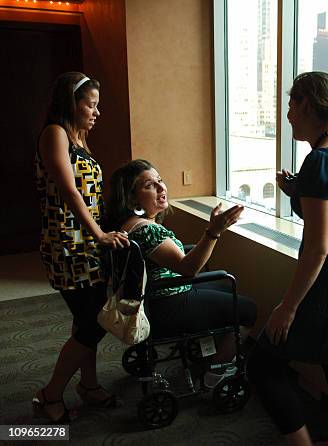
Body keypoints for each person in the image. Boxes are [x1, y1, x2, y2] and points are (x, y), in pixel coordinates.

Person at [247, 72, 328, 446]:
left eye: (291, 104)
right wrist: (295, 192)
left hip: (325, 283)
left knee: (262, 365)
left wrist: (288, 306)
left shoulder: (319, 161)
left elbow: (318, 247)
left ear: (307, 104)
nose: (288, 114)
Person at [33, 72, 130, 423]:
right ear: (70, 103)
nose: (96, 112)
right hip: (67, 245)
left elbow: (91, 197)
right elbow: (71, 191)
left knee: (86, 320)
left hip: (87, 244)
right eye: (90, 104)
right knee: (94, 322)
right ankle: (50, 393)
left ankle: (88, 386)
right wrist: (99, 235)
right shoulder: (55, 134)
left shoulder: (80, 139)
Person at [106, 159, 257, 385]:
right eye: (149, 185)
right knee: (249, 310)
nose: (161, 188)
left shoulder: (128, 224)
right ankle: (217, 370)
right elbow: (189, 268)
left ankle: (203, 349)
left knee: (224, 285)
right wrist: (213, 232)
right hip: (167, 304)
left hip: (153, 300)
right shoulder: (147, 231)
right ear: (132, 198)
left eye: (160, 181)